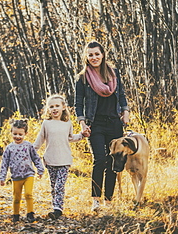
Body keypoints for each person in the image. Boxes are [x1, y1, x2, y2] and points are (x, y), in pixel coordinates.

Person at [75, 41, 130, 211]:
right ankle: (96, 200)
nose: (94, 57)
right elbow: (78, 103)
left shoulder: (114, 73)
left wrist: (125, 110)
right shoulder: (82, 78)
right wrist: (83, 123)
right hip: (95, 124)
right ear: (86, 57)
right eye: (90, 55)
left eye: (96, 54)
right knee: (99, 160)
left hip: (114, 123)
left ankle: (109, 200)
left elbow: (121, 94)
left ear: (103, 54)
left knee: (113, 161)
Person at [33, 94, 88, 220]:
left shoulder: (67, 123)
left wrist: (82, 135)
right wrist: (27, 151)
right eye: (51, 106)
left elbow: (70, 138)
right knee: (53, 187)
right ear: (48, 109)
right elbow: (39, 141)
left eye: (57, 106)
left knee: (59, 185)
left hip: (64, 160)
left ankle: (58, 210)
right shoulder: (46, 123)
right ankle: (55, 207)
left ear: (63, 107)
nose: (54, 109)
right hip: (50, 160)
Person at [0, 119, 44, 223]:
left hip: (29, 174)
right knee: (16, 197)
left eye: (20, 134)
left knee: (28, 194)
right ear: (11, 133)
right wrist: (2, 177)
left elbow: (36, 158)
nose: (17, 136)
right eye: (15, 134)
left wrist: (40, 169)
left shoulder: (28, 146)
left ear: (25, 134)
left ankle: (30, 213)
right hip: (16, 177)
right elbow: (4, 164)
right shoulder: (9, 148)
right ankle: (15, 214)